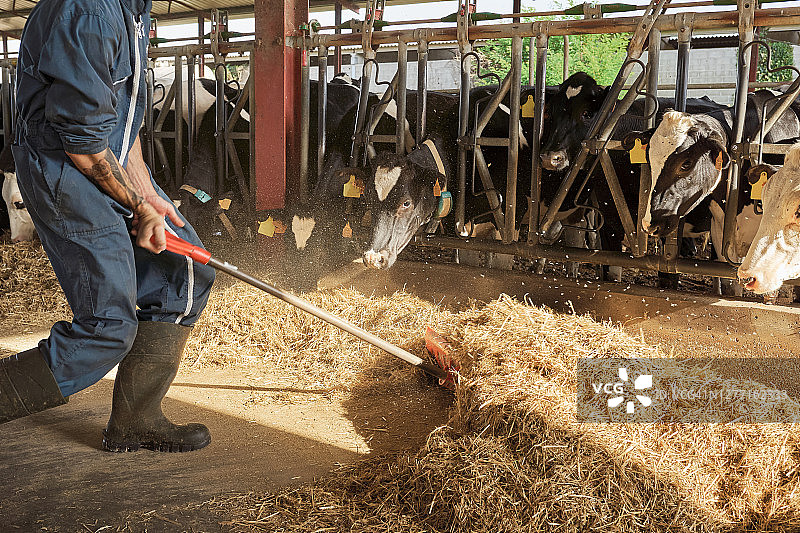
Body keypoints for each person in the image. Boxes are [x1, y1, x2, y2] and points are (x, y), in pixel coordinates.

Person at [0, 0, 216, 453]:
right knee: (108, 327)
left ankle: (137, 421)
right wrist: (137, 205)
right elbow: (81, 142)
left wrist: (147, 193)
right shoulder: (88, 12)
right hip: (65, 172)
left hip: (103, 160)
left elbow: (122, 120)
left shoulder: (133, 10)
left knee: (184, 272)